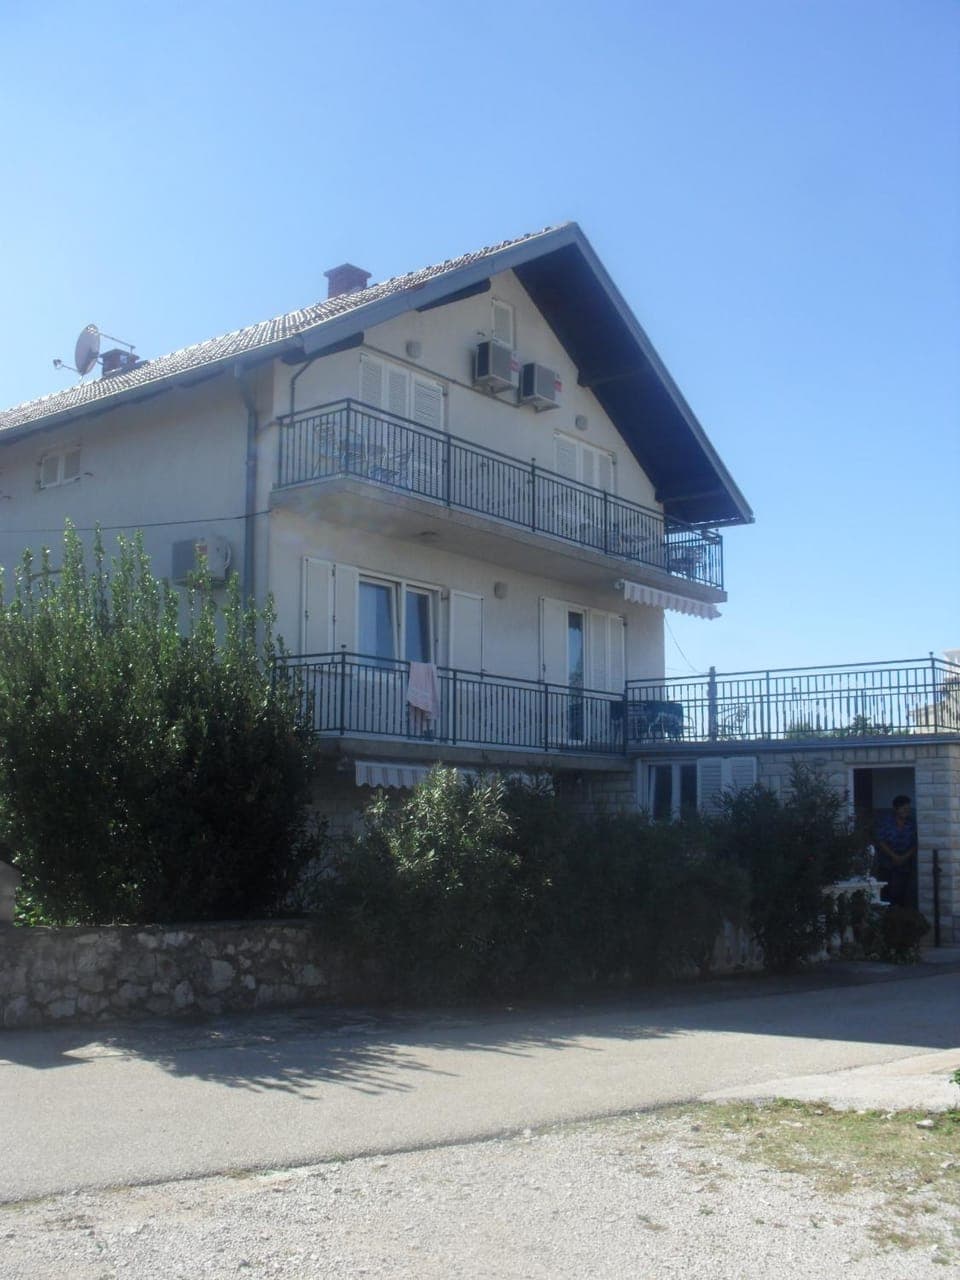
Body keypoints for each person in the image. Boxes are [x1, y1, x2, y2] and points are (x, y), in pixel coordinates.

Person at [874, 795, 918, 908]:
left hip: (905, 865)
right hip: (887, 864)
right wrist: (894, 856)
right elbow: (880, 840)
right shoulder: (886, 821)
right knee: (886, 893)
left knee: (902, 894)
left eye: (908, 809)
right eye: (903, 809)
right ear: (896, 809)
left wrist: (905, 857)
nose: (906, 812)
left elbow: (916, 843)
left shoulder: (912, 823)